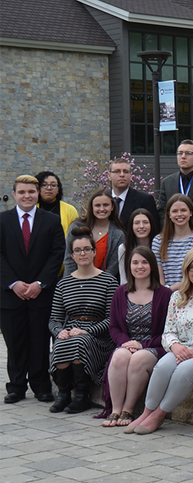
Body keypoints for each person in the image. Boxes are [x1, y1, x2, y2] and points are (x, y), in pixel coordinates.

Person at [125, 248, 193, 434]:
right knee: (162, 367)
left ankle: (159, 415)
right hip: (182, 351)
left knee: (184, 370)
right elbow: (168, 332)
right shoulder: (178, 296)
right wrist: (175, 347)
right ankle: (146, 412)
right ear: (186, 270)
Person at [0, 175, 65, 405]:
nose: (27, 196)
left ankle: (41, 386)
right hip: (10, 294)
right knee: (15, 342)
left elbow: (57, 253)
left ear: (37, 194)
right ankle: (16, 386)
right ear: (15, 194)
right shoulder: (2, 220)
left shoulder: (51, 220)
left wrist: (40, 283)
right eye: (22, 192)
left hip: (42, 293)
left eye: (31, 192)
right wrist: (13, 283)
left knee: (39, 341)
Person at [49, 227, 119, 413]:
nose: (83, 253)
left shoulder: (108, 281)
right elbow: (54, 319)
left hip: (98, 336)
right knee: (62, 342)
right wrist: (59, 331)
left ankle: (82, 395)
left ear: (94, 252)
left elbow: (112, 319)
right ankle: (64, 394)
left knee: (80, 341)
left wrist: (88, 330)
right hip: (71, 331)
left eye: (87, 249)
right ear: (72, 255)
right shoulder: (63, 284)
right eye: (78, 250)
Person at [100, 247, 171, 427]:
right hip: (128, 343)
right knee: (119, 356)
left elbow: (168, 331)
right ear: (129, 267)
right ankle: (116, 409)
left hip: (155, 345)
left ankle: (128, 409)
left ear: (152, 266)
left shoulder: (165, 295)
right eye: (135, 262)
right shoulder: (120, 293)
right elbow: (114, 326)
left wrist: (143, 345)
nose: (140, 266)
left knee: (138, 358)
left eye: (144, 262)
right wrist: (126, 343)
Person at [64, 188, 125, 280]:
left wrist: (97, 285)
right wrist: (71, 283)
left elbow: (113, 267)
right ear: (91, 207)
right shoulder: (76, 227)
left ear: (112, 207)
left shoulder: (118, 234)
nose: (102, 209)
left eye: (106, 205)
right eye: (97, 205)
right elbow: (69, 259)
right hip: (75, 282)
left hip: (102, 285)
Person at [152, 194, 193, 288]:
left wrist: (172, 290)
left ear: (191, 213)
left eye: (183, 210)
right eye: (175, 211)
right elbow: (159, 278)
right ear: (169, 215)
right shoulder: (158, 241)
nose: (179, 214)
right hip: (167, 296)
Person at [108, 157, 160, 230]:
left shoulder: (145, 200)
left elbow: (154, 229)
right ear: (109, 175)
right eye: (117, 171)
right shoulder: (103, 200)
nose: (122, 175)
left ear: (131, 176)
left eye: (126, 171)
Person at [117, 208, 159, 285]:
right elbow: (124, 279)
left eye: (145, 222)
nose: (141, 226)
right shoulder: (123, 248)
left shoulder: (159, 246)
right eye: (137, 223)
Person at [35, 171, 79, 235]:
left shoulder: (70, 210)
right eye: (44, 185)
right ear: (38, 189)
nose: (49, 188)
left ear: (58, 189)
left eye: (53, 185)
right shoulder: (31, 209)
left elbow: (76, 235)